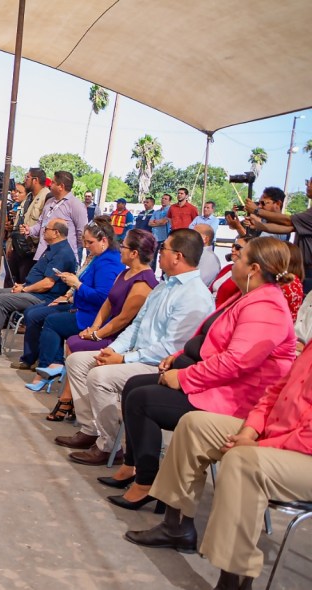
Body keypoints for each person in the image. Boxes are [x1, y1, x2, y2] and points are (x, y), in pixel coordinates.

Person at [105, 237, 298, 511]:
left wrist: (184, 377)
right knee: (134, 386)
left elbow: (236, 362)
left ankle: (146, 482)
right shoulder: (247, 295)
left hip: (236, 399)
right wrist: (177, 357)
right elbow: (210, 340)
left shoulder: (267, 307)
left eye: (240, 257)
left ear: (254, 269)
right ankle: (132, 466)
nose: (233, 260)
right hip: (213, 382)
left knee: (142, 400)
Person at [124, 346, 312, 590]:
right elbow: (274, 393)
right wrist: (248, 432)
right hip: (275, 432)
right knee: (194, 425)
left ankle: (234, 580)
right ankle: (176, 526)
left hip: (303, 452)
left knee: (243, 461)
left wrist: (257, 445)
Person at [55, 229, 214, 465]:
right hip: (136, 355)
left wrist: (124, 359)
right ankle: (91, 429)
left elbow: (171, 347)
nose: (159, 253)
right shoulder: (164, 286)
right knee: (77, 361)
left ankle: (109, 445)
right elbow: (137, 325)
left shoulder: (195, 296)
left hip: (160, 365)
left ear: (178, 256)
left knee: (100, 376)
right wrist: (114, 350)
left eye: (164, 249)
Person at [42, 229, 159, 419]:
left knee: (76, 343)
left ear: (134, 253)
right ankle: (72, 400)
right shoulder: (125, 273)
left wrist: (97, 335)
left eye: (123, 246)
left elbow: (124, 319)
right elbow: (108, 303)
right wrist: (95, 327)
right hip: (110, 328)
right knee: (74, 341)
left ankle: (69, 400)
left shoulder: (143, 282)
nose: (120, 250)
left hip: (123, 337)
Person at [17, 219, 125, 381]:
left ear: (104, 240)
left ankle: (48, 367)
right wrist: (71, 290)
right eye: (85, 242)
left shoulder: (108, 262)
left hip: (92, 315)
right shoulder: (99, 257)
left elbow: (103, 298)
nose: (86, 246)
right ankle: (46, 362)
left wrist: (77, 285)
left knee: (51, 321)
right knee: (36, 313)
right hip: (81, 305)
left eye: (90, 242)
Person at [0, 219, 78, 355]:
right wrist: (23, 285)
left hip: (44, 297)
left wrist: (25, 289)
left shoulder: (62, 253)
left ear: (56, 233)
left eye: (46, 229)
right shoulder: (52, 248)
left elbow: (47, 284)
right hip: (33, 290)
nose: (43, 231)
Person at [240, 177, 312, 294]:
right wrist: (260, 226)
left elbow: (288, 222)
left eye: (310, 183)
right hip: (304, 269)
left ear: (278, 203)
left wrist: (256, 211)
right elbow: (290, 227)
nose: (307, 185)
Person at [21, 170, 88, 261]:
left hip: (62, 259)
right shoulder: (49, 202)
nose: (50, 185)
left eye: (53, 182)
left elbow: (82, 233)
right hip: (42, 255)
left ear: (61, 186)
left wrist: (72, 251)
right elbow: (41, 224)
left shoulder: (76, 205)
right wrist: (30, 230)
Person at [5, 182, 35, 286]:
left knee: (22, 276)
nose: (15, 194)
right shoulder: (16, 206)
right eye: (15, 191)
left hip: (25, 248)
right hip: (14, 245)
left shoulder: (28, 206)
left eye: (19, 192)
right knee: (10, 276)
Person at [209, 239, 246, 307]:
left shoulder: (246, 276)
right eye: (233, 246)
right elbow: (210, 290)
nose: (232, 249)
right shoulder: (228, 268)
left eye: (237, 247)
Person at [148, 194, 172, 260]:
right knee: (152, 258)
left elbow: (164, 222)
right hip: (155, 237)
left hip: (165, 237)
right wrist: (160, 222)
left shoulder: (170, 211)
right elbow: (150, 223)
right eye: (162, 198)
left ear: (169, 201)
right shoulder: (156, 212)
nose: (163, 200)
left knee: (164, 258)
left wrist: (155, 221)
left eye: (165, 199)